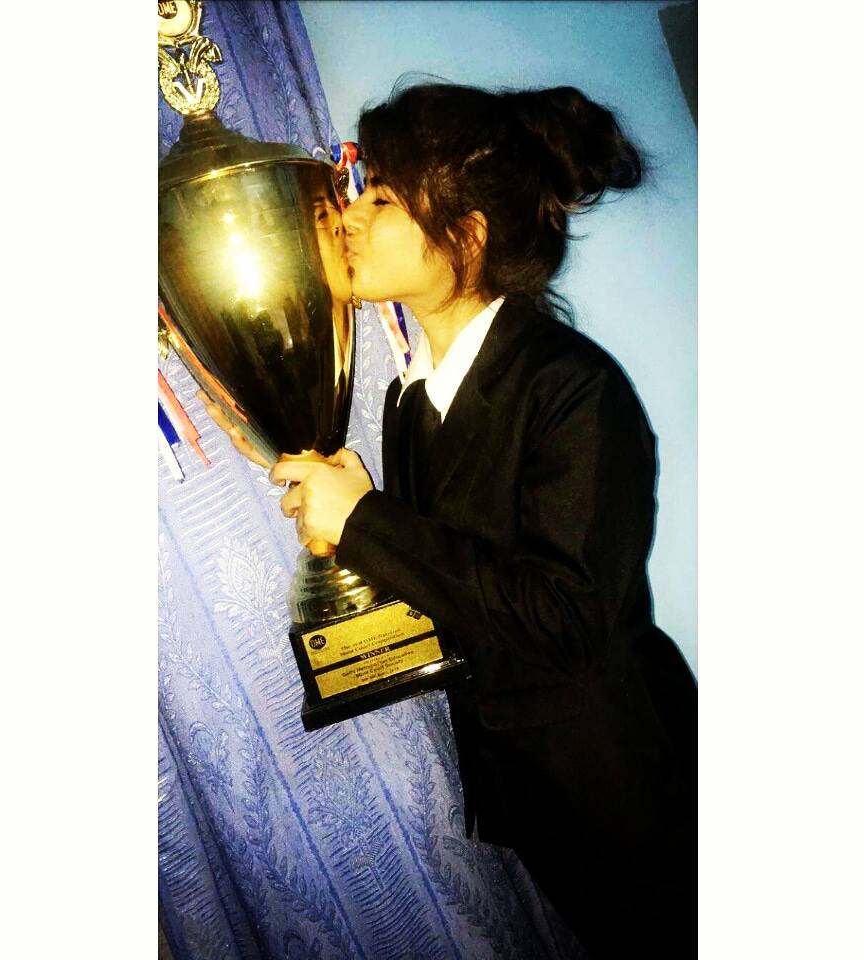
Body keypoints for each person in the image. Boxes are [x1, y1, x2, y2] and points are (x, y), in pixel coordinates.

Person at [206, 81, 697, 957]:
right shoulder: (410, 401)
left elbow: (564, 620)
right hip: (535, 799)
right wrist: (349, 535)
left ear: (466, 237)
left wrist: (368, 523)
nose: (349, 218)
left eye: (383, 199)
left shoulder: (572, 386)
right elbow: (457, 591)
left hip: (631, 790)